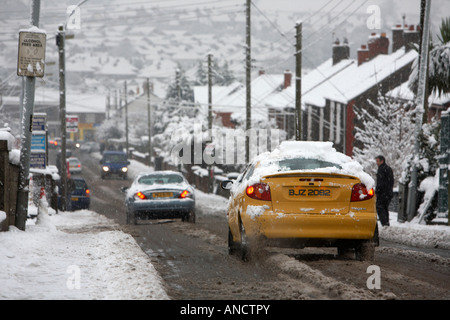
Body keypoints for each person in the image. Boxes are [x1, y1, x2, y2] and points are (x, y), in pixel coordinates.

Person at [375, 155, 394, 227]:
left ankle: (384, 223)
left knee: (379, 207)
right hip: (388, 192)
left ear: (382, 161)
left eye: (377, 161)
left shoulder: (381, 169)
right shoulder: (388, 169)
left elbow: (380, 182)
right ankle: (386, 222)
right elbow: (391, 181)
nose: (376, 163)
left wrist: (377, 191)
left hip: (383, 193)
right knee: (385, 207)